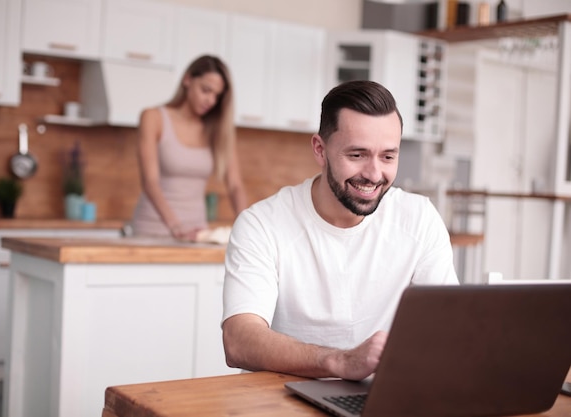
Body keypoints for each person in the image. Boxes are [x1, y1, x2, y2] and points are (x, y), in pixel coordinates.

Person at [221, 80, 459, 381]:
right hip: (280, 403)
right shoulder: (261, 224)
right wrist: (340, 362)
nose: (374, 174)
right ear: (320, 150)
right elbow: (239, 340)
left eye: (388, 156)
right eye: (357, 155)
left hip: (376, 402)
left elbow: (449, 325)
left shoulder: (419, 218)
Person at [130, 55, 248, 240]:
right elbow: (150, 182)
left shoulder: (218, 130)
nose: (211, 100)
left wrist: (248, 228)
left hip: (197, 233)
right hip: (153, 229)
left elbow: (235, 185)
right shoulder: (153, 117)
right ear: (187, 80)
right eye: (206, 90)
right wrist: (176, 228)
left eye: (217, 96)